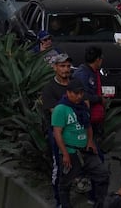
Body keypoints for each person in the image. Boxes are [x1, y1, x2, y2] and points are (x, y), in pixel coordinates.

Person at [52, 78, 109, 208]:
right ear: (68, 92)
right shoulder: (60, 109)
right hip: (70, 152)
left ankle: (100, 203)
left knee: (102, 174)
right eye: (76, 93)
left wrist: (90, 141)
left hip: (85, 150)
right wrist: (65, 153)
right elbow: (57, 133)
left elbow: (88, 125)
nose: (79, 96)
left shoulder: (83, 106)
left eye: (81, 93)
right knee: (65, 183)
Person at [41, 53, 73, 204]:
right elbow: (56, 114)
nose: (66, 69)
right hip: (59, 136)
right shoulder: (49, 89)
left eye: (68, 66)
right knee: (59, 169)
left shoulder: (75, 84)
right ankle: (59, 201)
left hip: (77, 134)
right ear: (55, 68)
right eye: (62, 66)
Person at [74, 46, 106, 140]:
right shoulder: (83, 74)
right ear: (97, 60)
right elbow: (83, 95)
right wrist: (99, 99)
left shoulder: (92, 72)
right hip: (85, 115)